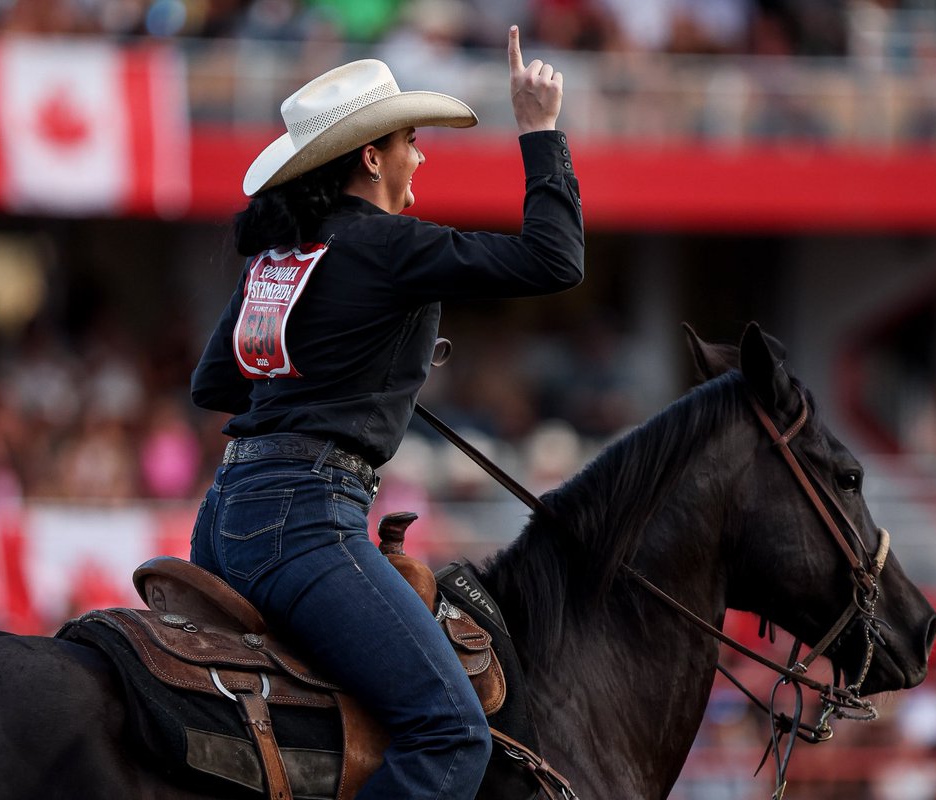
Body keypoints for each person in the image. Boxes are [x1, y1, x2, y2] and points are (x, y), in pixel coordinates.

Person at [189, 26, 583, 799]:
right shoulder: (390, 246)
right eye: (410, 140)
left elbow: (216, 384)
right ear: (371, 157)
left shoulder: (280, 257)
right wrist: (539, 130)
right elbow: (556, 259)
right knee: (452, 735)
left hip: (222, 521)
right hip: (304, 523)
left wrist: (342, 374)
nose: (421, 156)